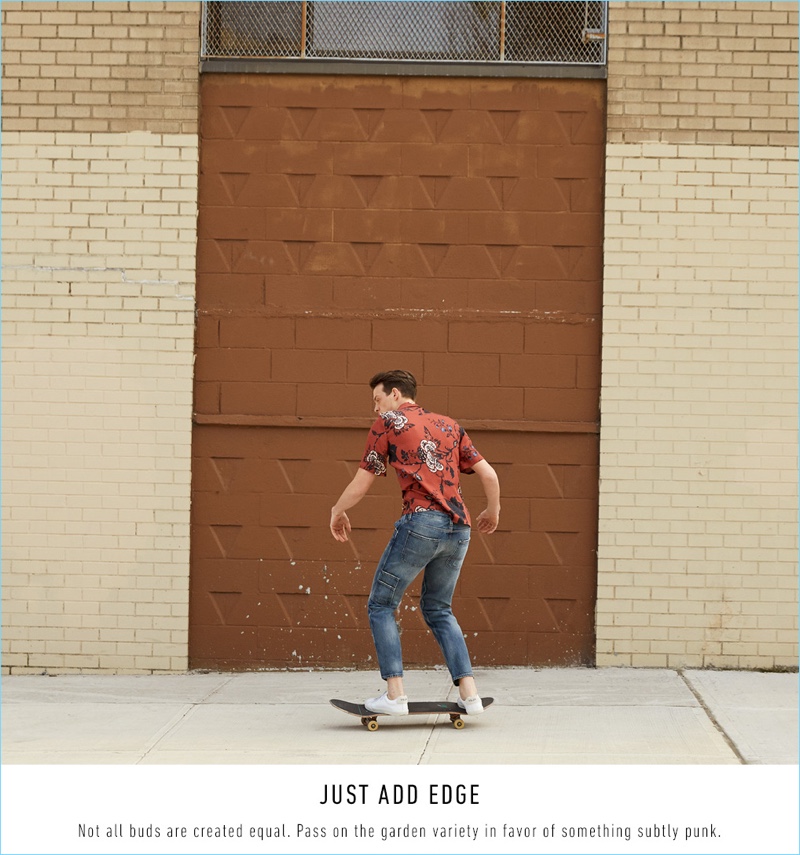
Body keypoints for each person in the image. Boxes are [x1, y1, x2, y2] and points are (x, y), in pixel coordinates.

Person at [329, 370, 500, 717]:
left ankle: (395, 695)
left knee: (381, 605)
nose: (376, 409)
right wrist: (492, 511)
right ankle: (471, 695)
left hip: (421, 523)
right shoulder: (450, 425)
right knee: (439, 608)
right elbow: (489, 474)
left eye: (377, 400)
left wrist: (337, 509)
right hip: (460, 528)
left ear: (395, 394)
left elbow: (362, 483)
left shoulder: (389, 423)